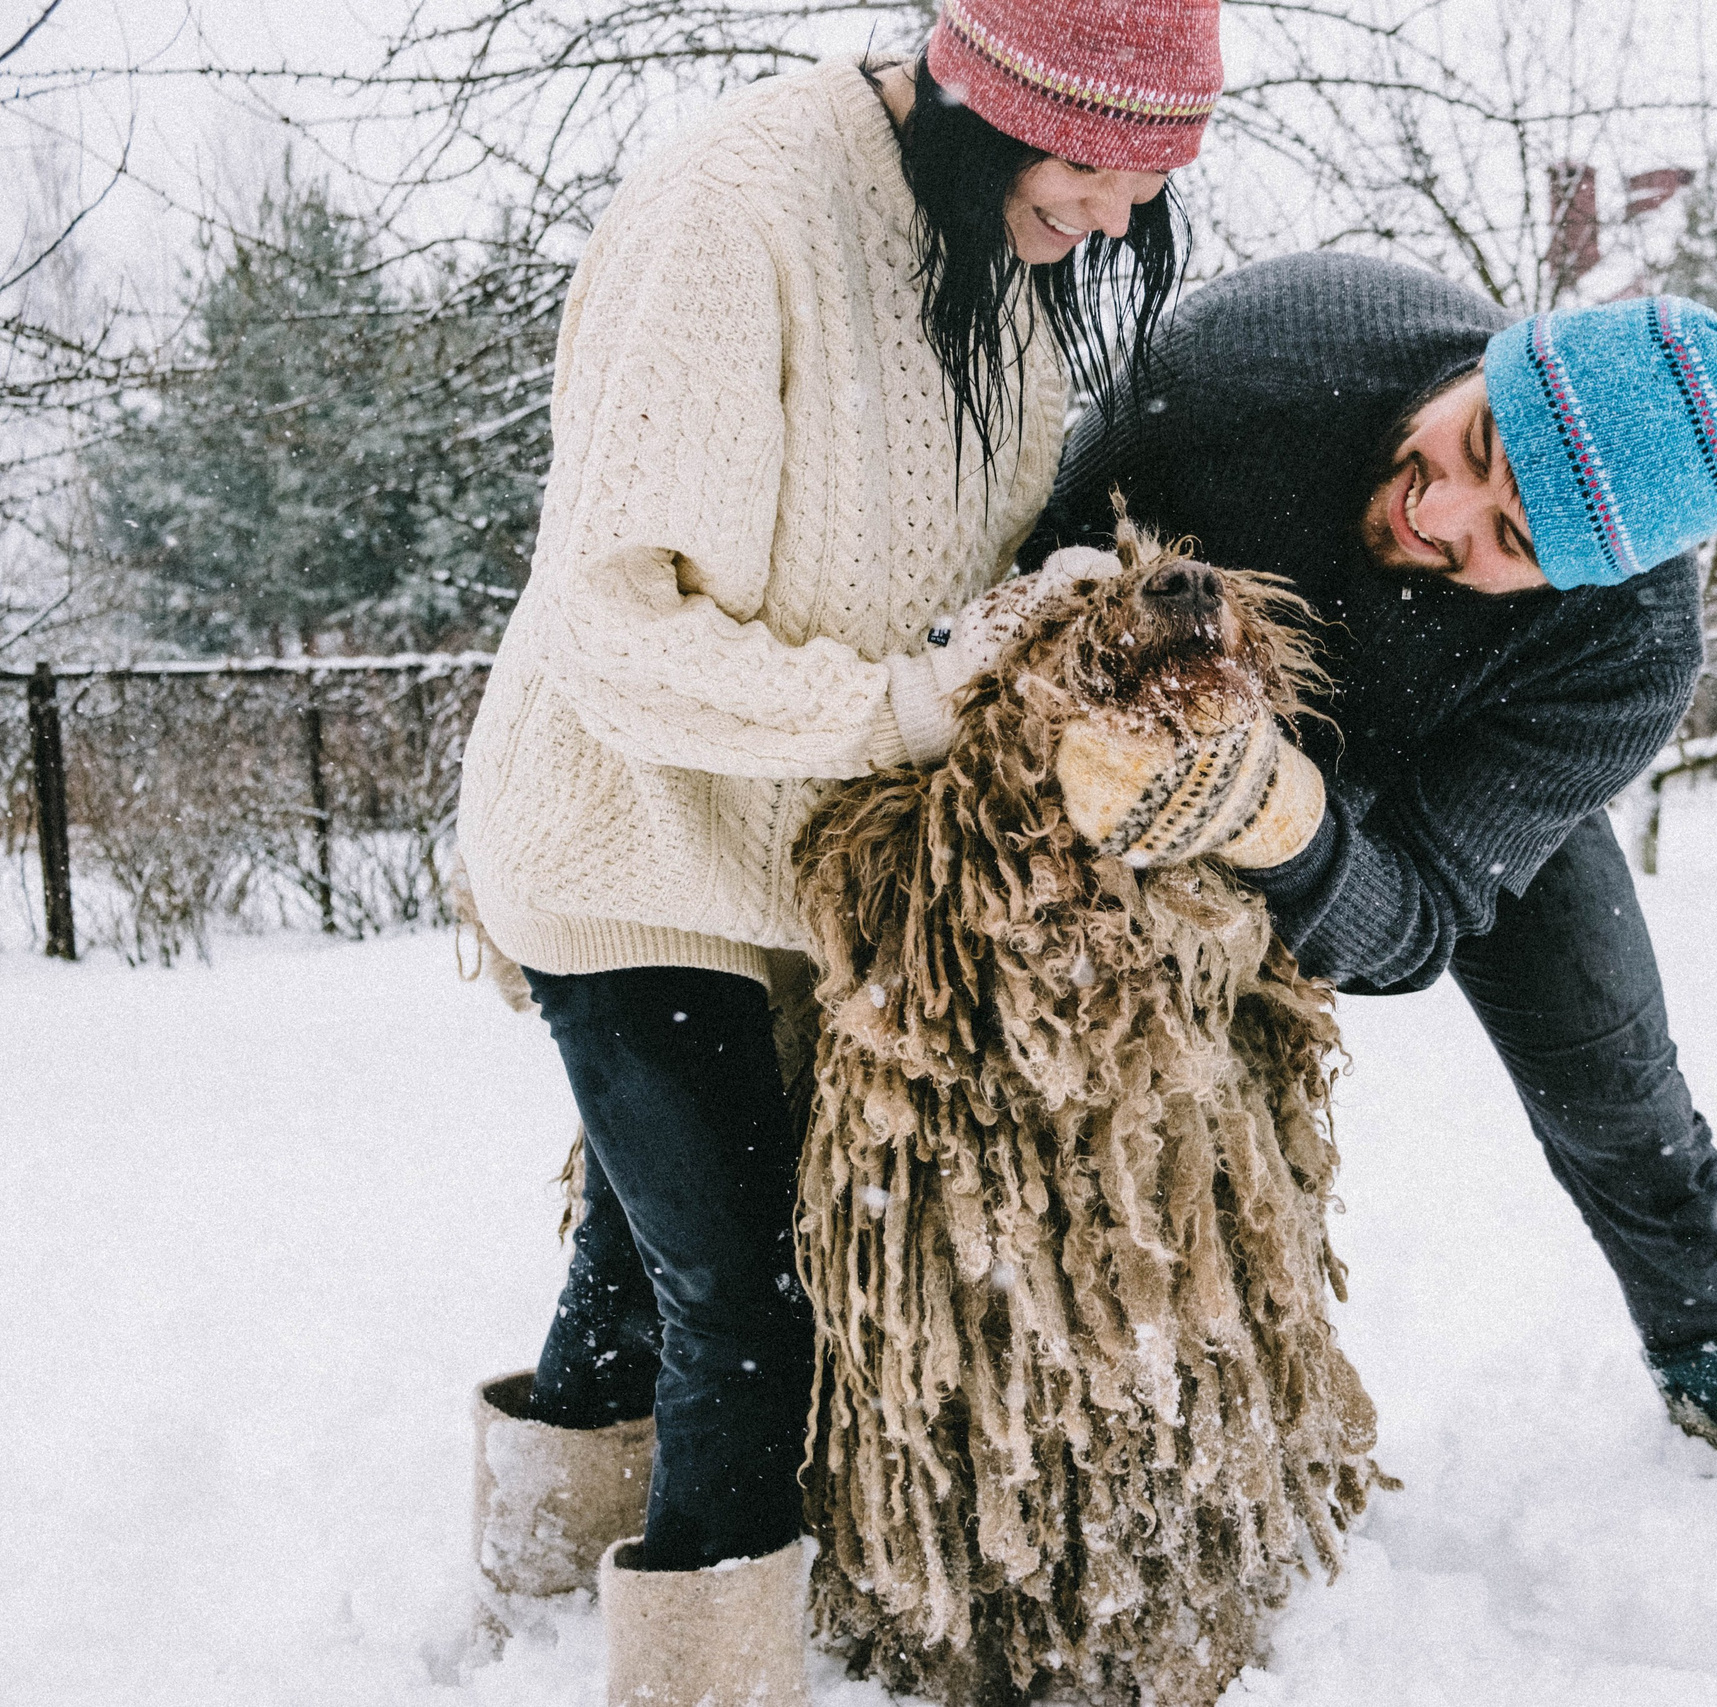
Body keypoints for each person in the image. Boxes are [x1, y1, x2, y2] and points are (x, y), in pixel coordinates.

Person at [452, 5, 1243, 1701]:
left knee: (651, 1247)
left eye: (1150, 182)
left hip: (794, 863)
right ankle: (701, 1676)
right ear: (987, 95)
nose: (1114, 214)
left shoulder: (994, 241)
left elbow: (936, 564)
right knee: (753, 1302)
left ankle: (528, 1592)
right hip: (626, 840)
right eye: (1095, 165)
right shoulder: (731, 215)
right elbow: (613, 626)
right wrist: (898, 705)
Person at [1026, 252, 1717, 1481]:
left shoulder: (1622, 651)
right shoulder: (1253, 357)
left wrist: (1281, 816)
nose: (1439, 514)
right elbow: (1026, 569)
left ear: (1580, 578)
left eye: (1509, 536)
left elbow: (1408, 930)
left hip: (1449, 758)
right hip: (1162, 697)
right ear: (1492, 363)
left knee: (1616, 1089)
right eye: (1473, 445)